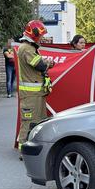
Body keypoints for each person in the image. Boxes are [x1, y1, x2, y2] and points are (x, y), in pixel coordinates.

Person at [17, 20, 54, 159]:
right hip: (30, 95)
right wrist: (49, 63)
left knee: (38, 121)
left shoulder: (30, 48)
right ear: (34, 34)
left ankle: (31, 148)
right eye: (40, 35)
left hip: (36, 94)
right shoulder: (26, 48)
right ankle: (24, 149)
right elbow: (39, 65)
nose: (41, 38)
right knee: (29, 122)